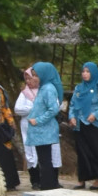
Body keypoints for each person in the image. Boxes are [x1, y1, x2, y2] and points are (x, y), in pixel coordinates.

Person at [67, 60, 98, 190]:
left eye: (88, 71)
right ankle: (82, 179)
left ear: (93, 73)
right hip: (80, 124)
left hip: (95, 125)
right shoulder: (79, 88)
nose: (85, 74)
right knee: (82, 152)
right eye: (83, 71)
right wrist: (71, 117)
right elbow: (72, 105)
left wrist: (95, 115)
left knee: (95, 152)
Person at [24, 61, 64, 189]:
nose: (34, 78)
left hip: (44, 131)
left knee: (45, 160)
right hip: (40, 132)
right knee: (43, 159)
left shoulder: (48, 89)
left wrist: (38, 120)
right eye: (33, 75)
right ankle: (48, 185)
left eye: (36, 75)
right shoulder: (43, 87)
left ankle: (48, 186)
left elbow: (53, 109)